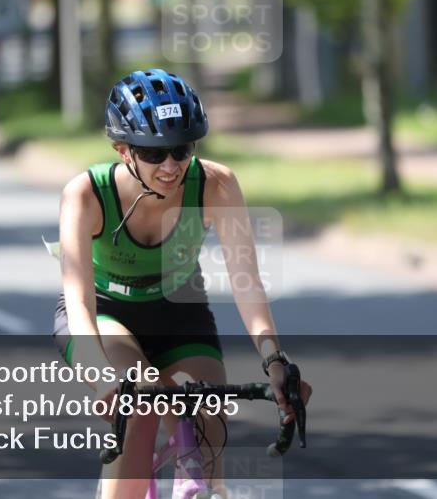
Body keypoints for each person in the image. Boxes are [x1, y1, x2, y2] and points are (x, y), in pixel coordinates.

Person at [52, 68, 312, 498]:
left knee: (209, 427)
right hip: (105, 314)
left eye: (181, 149)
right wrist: (101, 376)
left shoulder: (216, 184)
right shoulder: (85, 194)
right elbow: (79, 302)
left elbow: (247, 284)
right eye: (154, 154)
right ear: (123, 150)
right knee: (139, 410)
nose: (171, 166)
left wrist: (274, 360)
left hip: (178, 313)